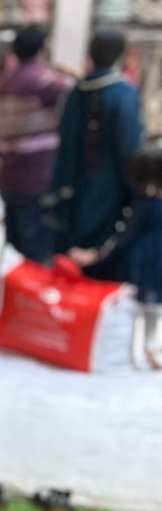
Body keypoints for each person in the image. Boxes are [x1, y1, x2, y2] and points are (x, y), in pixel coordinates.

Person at [44, 27, 143, 274]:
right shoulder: (124, 94)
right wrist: (136, 193)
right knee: (103, 263)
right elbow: (130, 149)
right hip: (111, 194)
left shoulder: (75, 93)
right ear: (122, 55)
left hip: (73, 188)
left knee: (73, 262)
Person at [70, 140, 162, 366]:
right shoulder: (146, 205)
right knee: (147, 308)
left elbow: (124, 236)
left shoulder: (143, 205)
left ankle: (142, 349)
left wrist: (99, 253)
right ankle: (144, 348)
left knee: (143, 307)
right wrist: (98, 253)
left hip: (144, 262)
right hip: (150, 264)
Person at [0, 24, 71, 263]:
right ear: (43, 47)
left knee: (13, 249)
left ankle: (12, 294)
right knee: (35, 251)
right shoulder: (44, 82)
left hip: (8, 176)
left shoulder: (4, 83)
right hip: (36, 177)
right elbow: (78, 94)